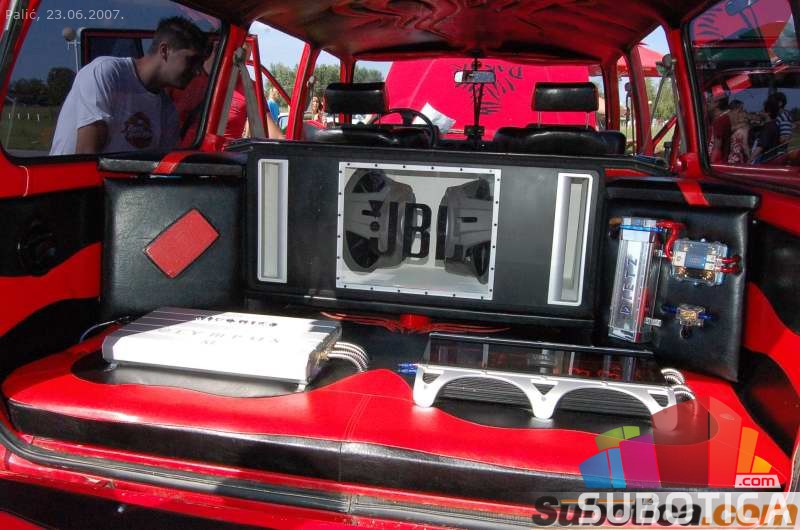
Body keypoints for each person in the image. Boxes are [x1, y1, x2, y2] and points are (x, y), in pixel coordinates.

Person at [50, 17, 208, 155]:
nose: (197, 71)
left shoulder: (167, 110)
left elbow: (161, 166)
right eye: (192, 60)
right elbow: (86, 155)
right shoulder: (106, 72)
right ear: (164, 50)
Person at [750, 97, 781, 164]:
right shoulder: (774, 125)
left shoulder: (767, 128)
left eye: (762, 110)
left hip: (764, 161)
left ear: (768, 112)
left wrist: (749, 160)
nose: (760, 112)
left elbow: (760, 147)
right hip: (771, 160)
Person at [707, 95, 731, 164]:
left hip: (716, 161)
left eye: (709, 102)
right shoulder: (722, 118)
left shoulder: (720, 120)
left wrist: (711, 163)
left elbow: (717, 147)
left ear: (716, 104)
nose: (707, 104)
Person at [727, 101, 750, 165]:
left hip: (727, 158)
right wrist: (750, 159)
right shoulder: (743, 128)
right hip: (736, 158)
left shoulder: (726, 120)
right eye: (740, 110)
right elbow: (745, 145)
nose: (742, 113)